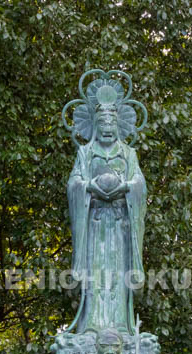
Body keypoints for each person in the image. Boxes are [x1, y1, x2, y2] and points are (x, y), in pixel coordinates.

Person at [66, 83, 146, 334]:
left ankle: (121, 326)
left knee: (118, 277)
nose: (107, 128)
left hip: (121, 225)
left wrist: (126, 186)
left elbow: (139, 184)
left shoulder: (128, 153)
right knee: (95, 275)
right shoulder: (85, 153)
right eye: (102, 123)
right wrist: (89, 186)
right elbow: (74, 183)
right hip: (94, 222)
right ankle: (91, 325)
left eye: (112, 124)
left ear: (119, 126)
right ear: (94, 125)